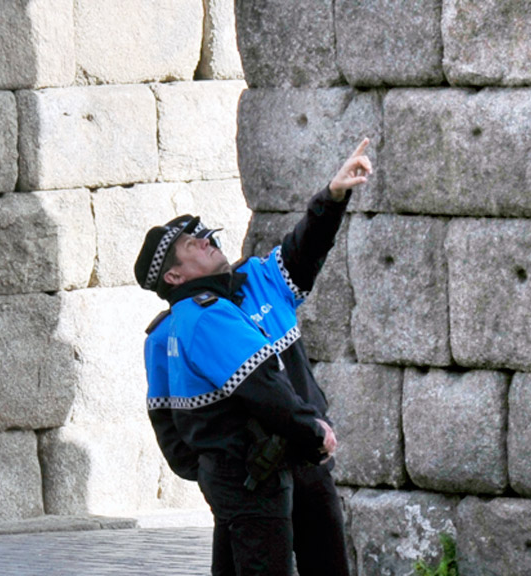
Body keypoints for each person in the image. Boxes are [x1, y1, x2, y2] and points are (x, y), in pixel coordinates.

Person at [136, 139, 373, 575]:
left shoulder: (261, 278)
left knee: (327, 564)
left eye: (205, 234)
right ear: (174, 275)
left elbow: (307, 247)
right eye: (192, 243)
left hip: (303, 460)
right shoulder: (178, 328)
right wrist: (214, 471)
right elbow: (166, 418)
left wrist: (334, 196)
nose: (206, 240)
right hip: (251, 475)